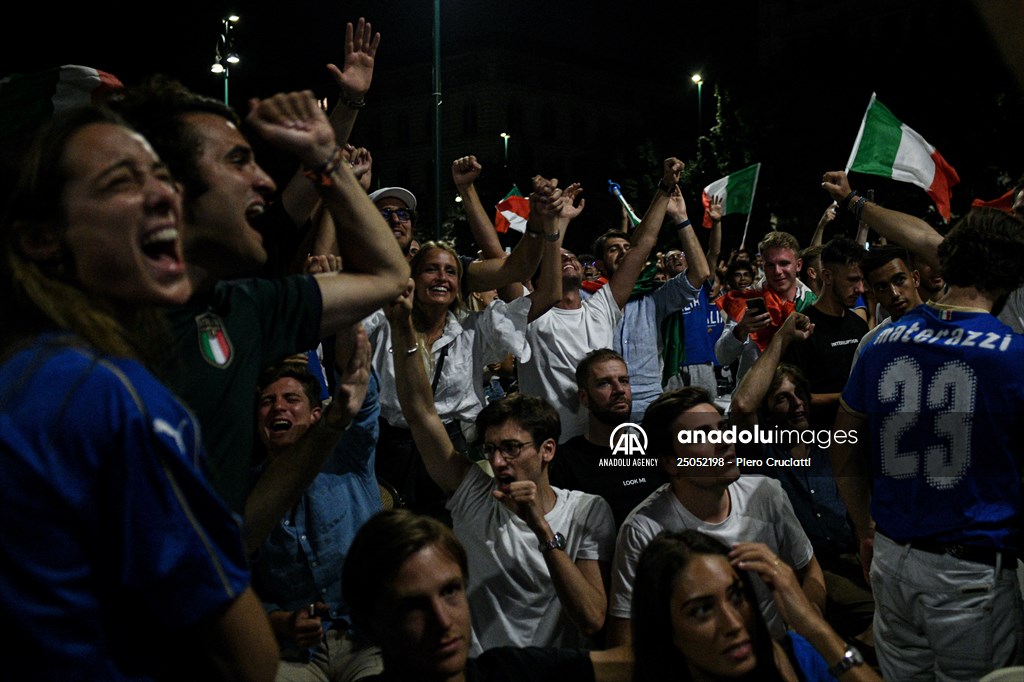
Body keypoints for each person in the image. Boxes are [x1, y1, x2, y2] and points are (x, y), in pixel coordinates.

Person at [0, 105, 277, 680]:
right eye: (121, 182)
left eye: (161, 176)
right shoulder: (111, 398)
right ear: (40, 238)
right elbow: (250, 659)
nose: (162, 196)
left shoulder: (23, 372)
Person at [111, 80, 409, 512]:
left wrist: (326, 158)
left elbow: (389, 274)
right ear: (168, 185)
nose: (264, 182)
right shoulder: (90, 333)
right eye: (238, 161)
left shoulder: (243, 307)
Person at [830, 204, 1024, 680]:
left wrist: (863, 527)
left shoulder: (880, 342)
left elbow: (842, 444)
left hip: (893, 557)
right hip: (970, 575)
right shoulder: (1014, 357)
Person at [385, 284, 616, 653]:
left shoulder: (587, 512)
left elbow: (592, 619)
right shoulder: (474, 495)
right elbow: (419, 412)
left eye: (511, 449)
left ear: (547, 450)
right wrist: (401, 329)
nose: (496, 462)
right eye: (491, 449)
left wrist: (541, 529)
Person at [607, 387, 824, 646]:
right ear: (670, 462)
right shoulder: (643, 531)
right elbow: (626, 637)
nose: (724, 441)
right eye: (702, 435)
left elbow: (809, 569)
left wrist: (802, 632)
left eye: (722, 428)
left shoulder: (765, 493)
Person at [341, 509, 633, 682]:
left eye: (450, 591)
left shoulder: (509, 672)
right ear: (368, 622)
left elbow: (630, 664)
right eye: (413, 606)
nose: (443, 621)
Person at [730, 313, 874, 644]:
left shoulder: (830, 447)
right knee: (879, 612)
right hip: (805, 566)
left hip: (853, 557)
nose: (796, 405)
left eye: (799, 395)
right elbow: (741, 404)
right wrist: (781, 339)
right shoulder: (762, 452)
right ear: (768, 411)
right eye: (782, 397)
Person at [518, 158, 684, 441]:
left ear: (585, 270)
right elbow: (505, 258)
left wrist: (666, 186)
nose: (567, 259)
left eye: (572, 257)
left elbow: (641, 246)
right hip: (549, 446)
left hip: (602, 441)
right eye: (559, 257)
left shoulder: (600, 309)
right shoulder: (530, 314)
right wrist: (556, 222)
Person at [247, 344, 386, 682]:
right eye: (267, 402)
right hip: (296, 653)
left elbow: (361, 393)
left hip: (369, 639)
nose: (278, 407)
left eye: (291, 400)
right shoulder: (246, 495)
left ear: (316, 415)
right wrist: (284, 621)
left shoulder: (348, 455)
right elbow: (239, 590)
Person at [632, 530, 881, 681]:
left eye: (737, 596)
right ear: (664, 626)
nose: (734, 623)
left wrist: (814, 627)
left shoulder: (797, 655)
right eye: (702, 610)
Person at [592, 180, 708, 420]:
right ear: (601, 265)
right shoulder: (588, 299)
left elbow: (700, 274)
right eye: (614, 249)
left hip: (650, 404)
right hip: (603, 409)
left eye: (628, 247)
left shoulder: (654, 296)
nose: (624, 252)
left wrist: (681, 218)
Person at [549, 348, 667, 529]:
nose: (619, 390)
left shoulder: (655, 447)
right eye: (604, 383)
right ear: (584, 397)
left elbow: (696, 465)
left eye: (624, 381)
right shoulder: (565, 462)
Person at [779, 236, 868, 429]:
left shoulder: (859, 326)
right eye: (852, 280)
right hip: (819, 440)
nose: (860, 288)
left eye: (862, 280)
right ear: (827, 276)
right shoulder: (801, 330)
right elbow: (796, 396)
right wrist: (848, 396)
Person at [715, 230, 816, 386]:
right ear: (762, 265)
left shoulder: (812, 303)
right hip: (753, 400)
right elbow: (722, 357)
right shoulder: (746, 301)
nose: (777, 272)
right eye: (770, 265)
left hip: (798, 397)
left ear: (798, 265)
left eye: (784, 263)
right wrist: (741, 330)